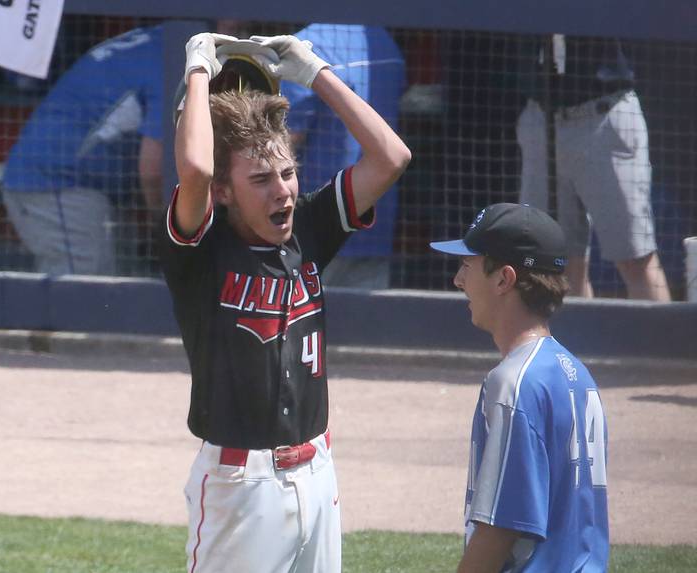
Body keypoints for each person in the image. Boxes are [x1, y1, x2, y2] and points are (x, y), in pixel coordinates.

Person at [159, 32, 410, 572]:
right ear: (225, 193)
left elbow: (391, 156)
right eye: (261, 179)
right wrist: (198, 69)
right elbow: (198, 170)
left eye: (288, 173)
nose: (284, 191)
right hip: (240, 486)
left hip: (318, 472)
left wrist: (315, 70)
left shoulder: (310, 231)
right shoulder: (200, 251)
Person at [430, 203, 609, 572]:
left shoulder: (514, 383)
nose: (458, 280)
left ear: (503, 279)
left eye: (468, 265)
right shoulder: (575, 373)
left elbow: (501, 525)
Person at [516, 35, 671, 300]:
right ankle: (575, 341)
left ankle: (658, 342)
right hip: (540, 119)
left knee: (634, 258)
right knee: (554, 263)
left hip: (603, 115)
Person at [2, 25, 165, 275]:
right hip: (56, 183)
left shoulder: (157, 39)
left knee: (116, 290)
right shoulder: (175, 55)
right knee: (85, 295)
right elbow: (153, 170)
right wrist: (165, 225)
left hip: (86, 188)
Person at [280, 24, 405, 289]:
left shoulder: (302, 48)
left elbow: (281, 152)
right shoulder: (383, 40)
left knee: (299, 327)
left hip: (312, 233)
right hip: (373, 226)